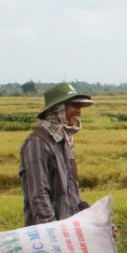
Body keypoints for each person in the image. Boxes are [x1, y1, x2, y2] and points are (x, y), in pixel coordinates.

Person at [20, 82, 94, 226]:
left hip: (67, 230)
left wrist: (94, 218)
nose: (78, 111)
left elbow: (73, 196)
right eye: (73, 105)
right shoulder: (37, 142)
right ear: (57, 109)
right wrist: (53, 233)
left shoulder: (64, 142)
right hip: (48, 235)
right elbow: (39, 196)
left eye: (79, 106)